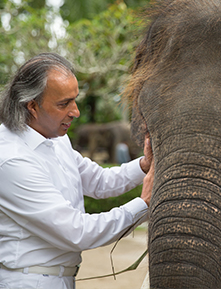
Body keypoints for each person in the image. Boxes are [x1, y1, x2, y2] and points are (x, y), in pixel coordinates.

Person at [0, 53, 154, 289]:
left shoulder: (56, 139)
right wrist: (143, 204)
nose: (75, 112)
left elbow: (100, 181)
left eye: (75, 100)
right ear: (32, 106)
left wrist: (144, 164)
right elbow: (77, 232)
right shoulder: (11, 160)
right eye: (64, 104)